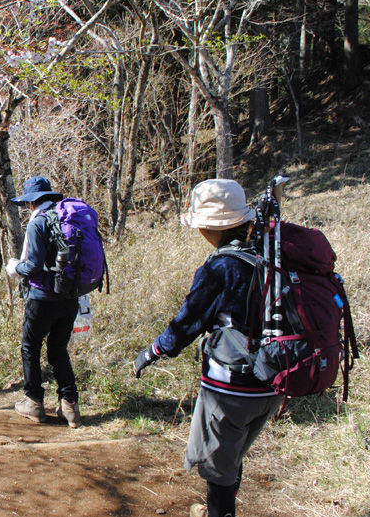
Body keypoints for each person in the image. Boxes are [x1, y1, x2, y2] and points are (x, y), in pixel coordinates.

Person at [132, 179, 283, 517]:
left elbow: (188, 322)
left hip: (231, 387)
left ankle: (220, 511)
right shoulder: (271, 256)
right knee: (232, 457)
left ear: (212, 229)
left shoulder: (220, 267)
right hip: (272, 383)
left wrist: (152, 352)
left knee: (217, 471)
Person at [5, 175, 82, 427]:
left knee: (30, 347)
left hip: (42, 298)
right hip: (70, 296)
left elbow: (34, 265)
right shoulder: (66, 217)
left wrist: (15, 268)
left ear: (30, 203)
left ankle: (34, 403)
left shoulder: (37, 222)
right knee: (58, 349)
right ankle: (70, 405)